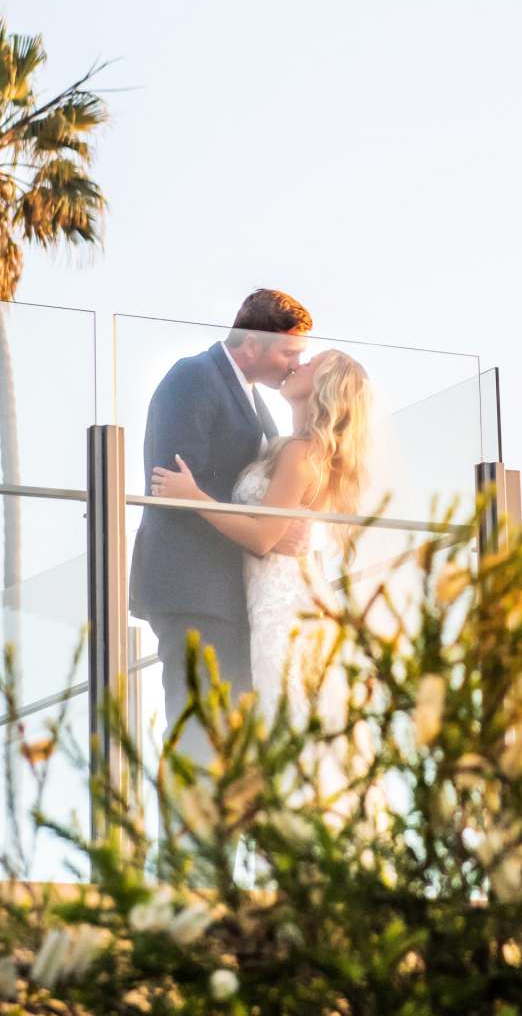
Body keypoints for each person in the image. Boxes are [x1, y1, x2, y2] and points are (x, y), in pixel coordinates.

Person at [127, 288, 310, 743]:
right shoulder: (193, 377)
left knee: (230, 737)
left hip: (231, 595)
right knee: (198, 733)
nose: (294, 364)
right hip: (193, 589)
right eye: (289, 351)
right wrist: (261, 534)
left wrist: (275, 528)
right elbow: (174, 483)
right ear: (252, 343)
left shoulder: (256, 402)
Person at [150, 347, 374, 717]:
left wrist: (194, 496)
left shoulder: (300, 454)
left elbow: (262, 538)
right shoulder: (290, 447)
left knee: (282, 709)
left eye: (310, 362)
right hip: (268, 594)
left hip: (280, 602)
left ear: (322, 386)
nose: (298, 364)